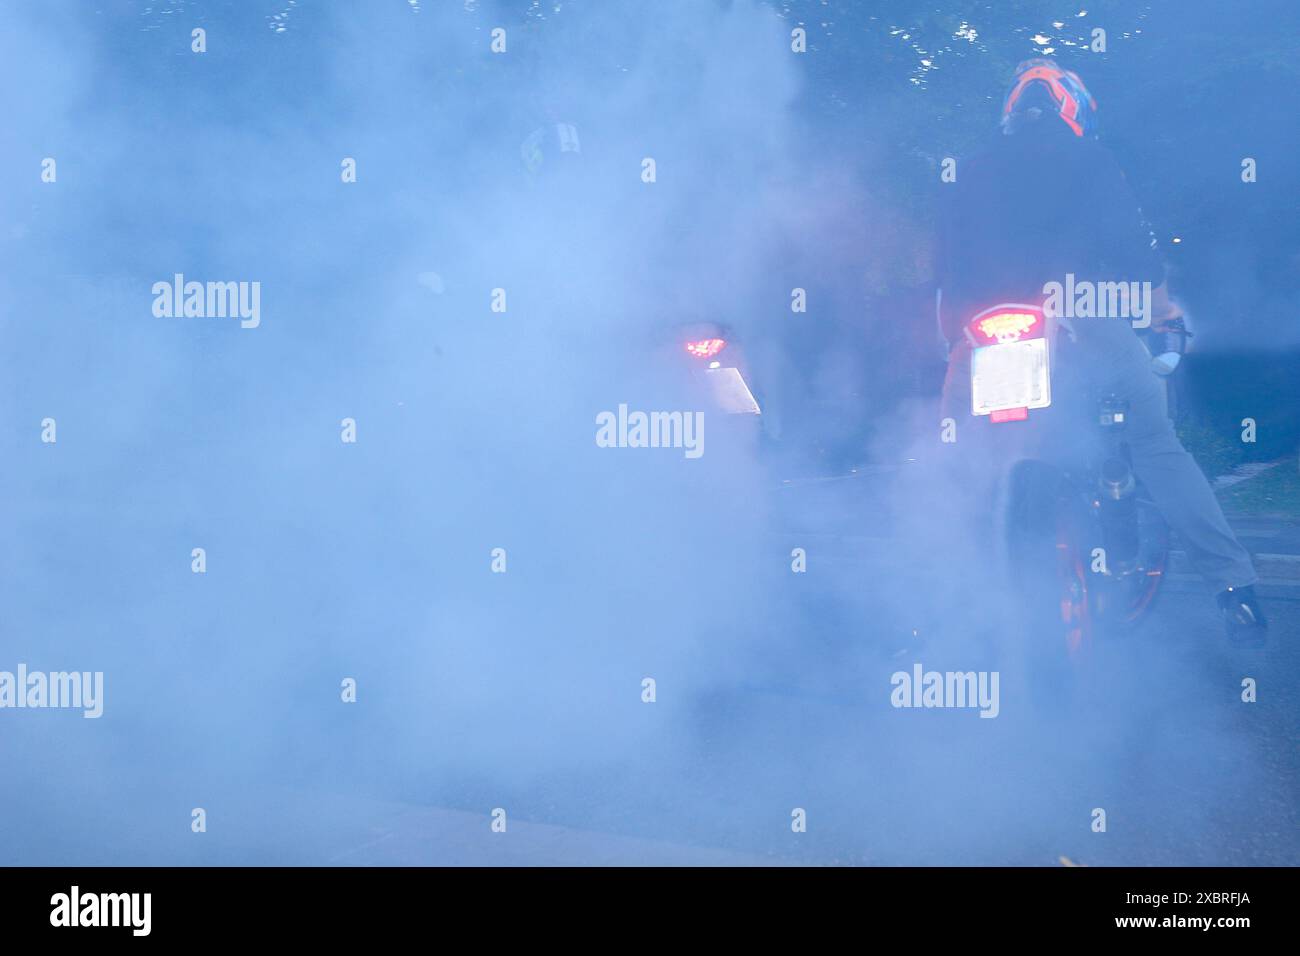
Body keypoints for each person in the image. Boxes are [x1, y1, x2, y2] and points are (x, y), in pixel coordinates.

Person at [934, 58, 1266, 645]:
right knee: (1155, 441)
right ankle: (1233, 587)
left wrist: (956, 341)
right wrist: (1164, 311)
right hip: (1078, 318)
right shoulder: (1091, 162)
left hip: (980, 333)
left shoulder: (971, 170)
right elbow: (1137, 254)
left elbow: (945, 274)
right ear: (1076, 110)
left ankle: (943, 602)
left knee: (960, 460)